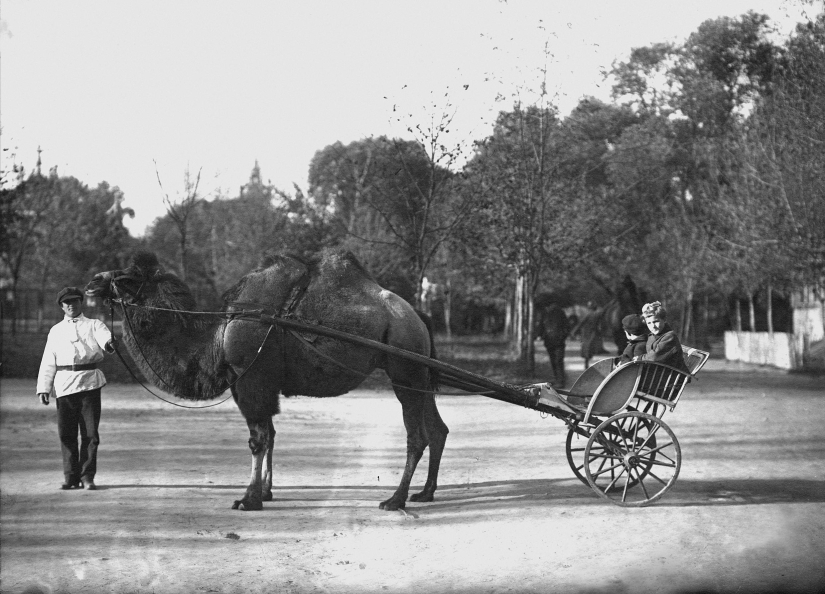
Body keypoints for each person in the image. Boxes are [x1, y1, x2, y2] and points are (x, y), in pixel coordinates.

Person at [37, 287, 116, 490]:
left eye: (75, 301)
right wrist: (43, 388)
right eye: (67, 302)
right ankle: (71, 476)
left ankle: (87, 476)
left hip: (89, 383)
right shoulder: (55, 331)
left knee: (90, 434)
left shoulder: (94, 324)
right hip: (64, 385)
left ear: (81, 302)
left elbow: (104, 337)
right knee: (67, 434)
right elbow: (48, 361)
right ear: (62, 306)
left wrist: (109, 343)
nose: (71, 305)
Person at [640, 301, 689, 373]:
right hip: (658, 372)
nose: (653, 326)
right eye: (649, 323)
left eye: (656, 321)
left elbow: (654, 357)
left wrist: (639, 358)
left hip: (671, 376)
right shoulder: (652, 336)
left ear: (664, 320)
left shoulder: (669, 336)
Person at [535, 303, 571, 387]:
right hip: (553, 341)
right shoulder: (547, 313)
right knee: (556, 361)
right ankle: (558, 379)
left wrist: (562, 336)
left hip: (555, 341)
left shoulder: (556, 313)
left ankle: (560, 380)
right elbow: (541, 326)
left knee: (557, 360)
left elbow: (566, 326)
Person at [576, 301, 607, 369]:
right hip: (594, 332)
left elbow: (581, 323)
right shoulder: (597, 314)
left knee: (587, 346)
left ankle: (586, 362)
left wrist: (575, 331)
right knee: (590, 347)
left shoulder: (588, 314)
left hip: (587, 332)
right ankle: (587, 361)